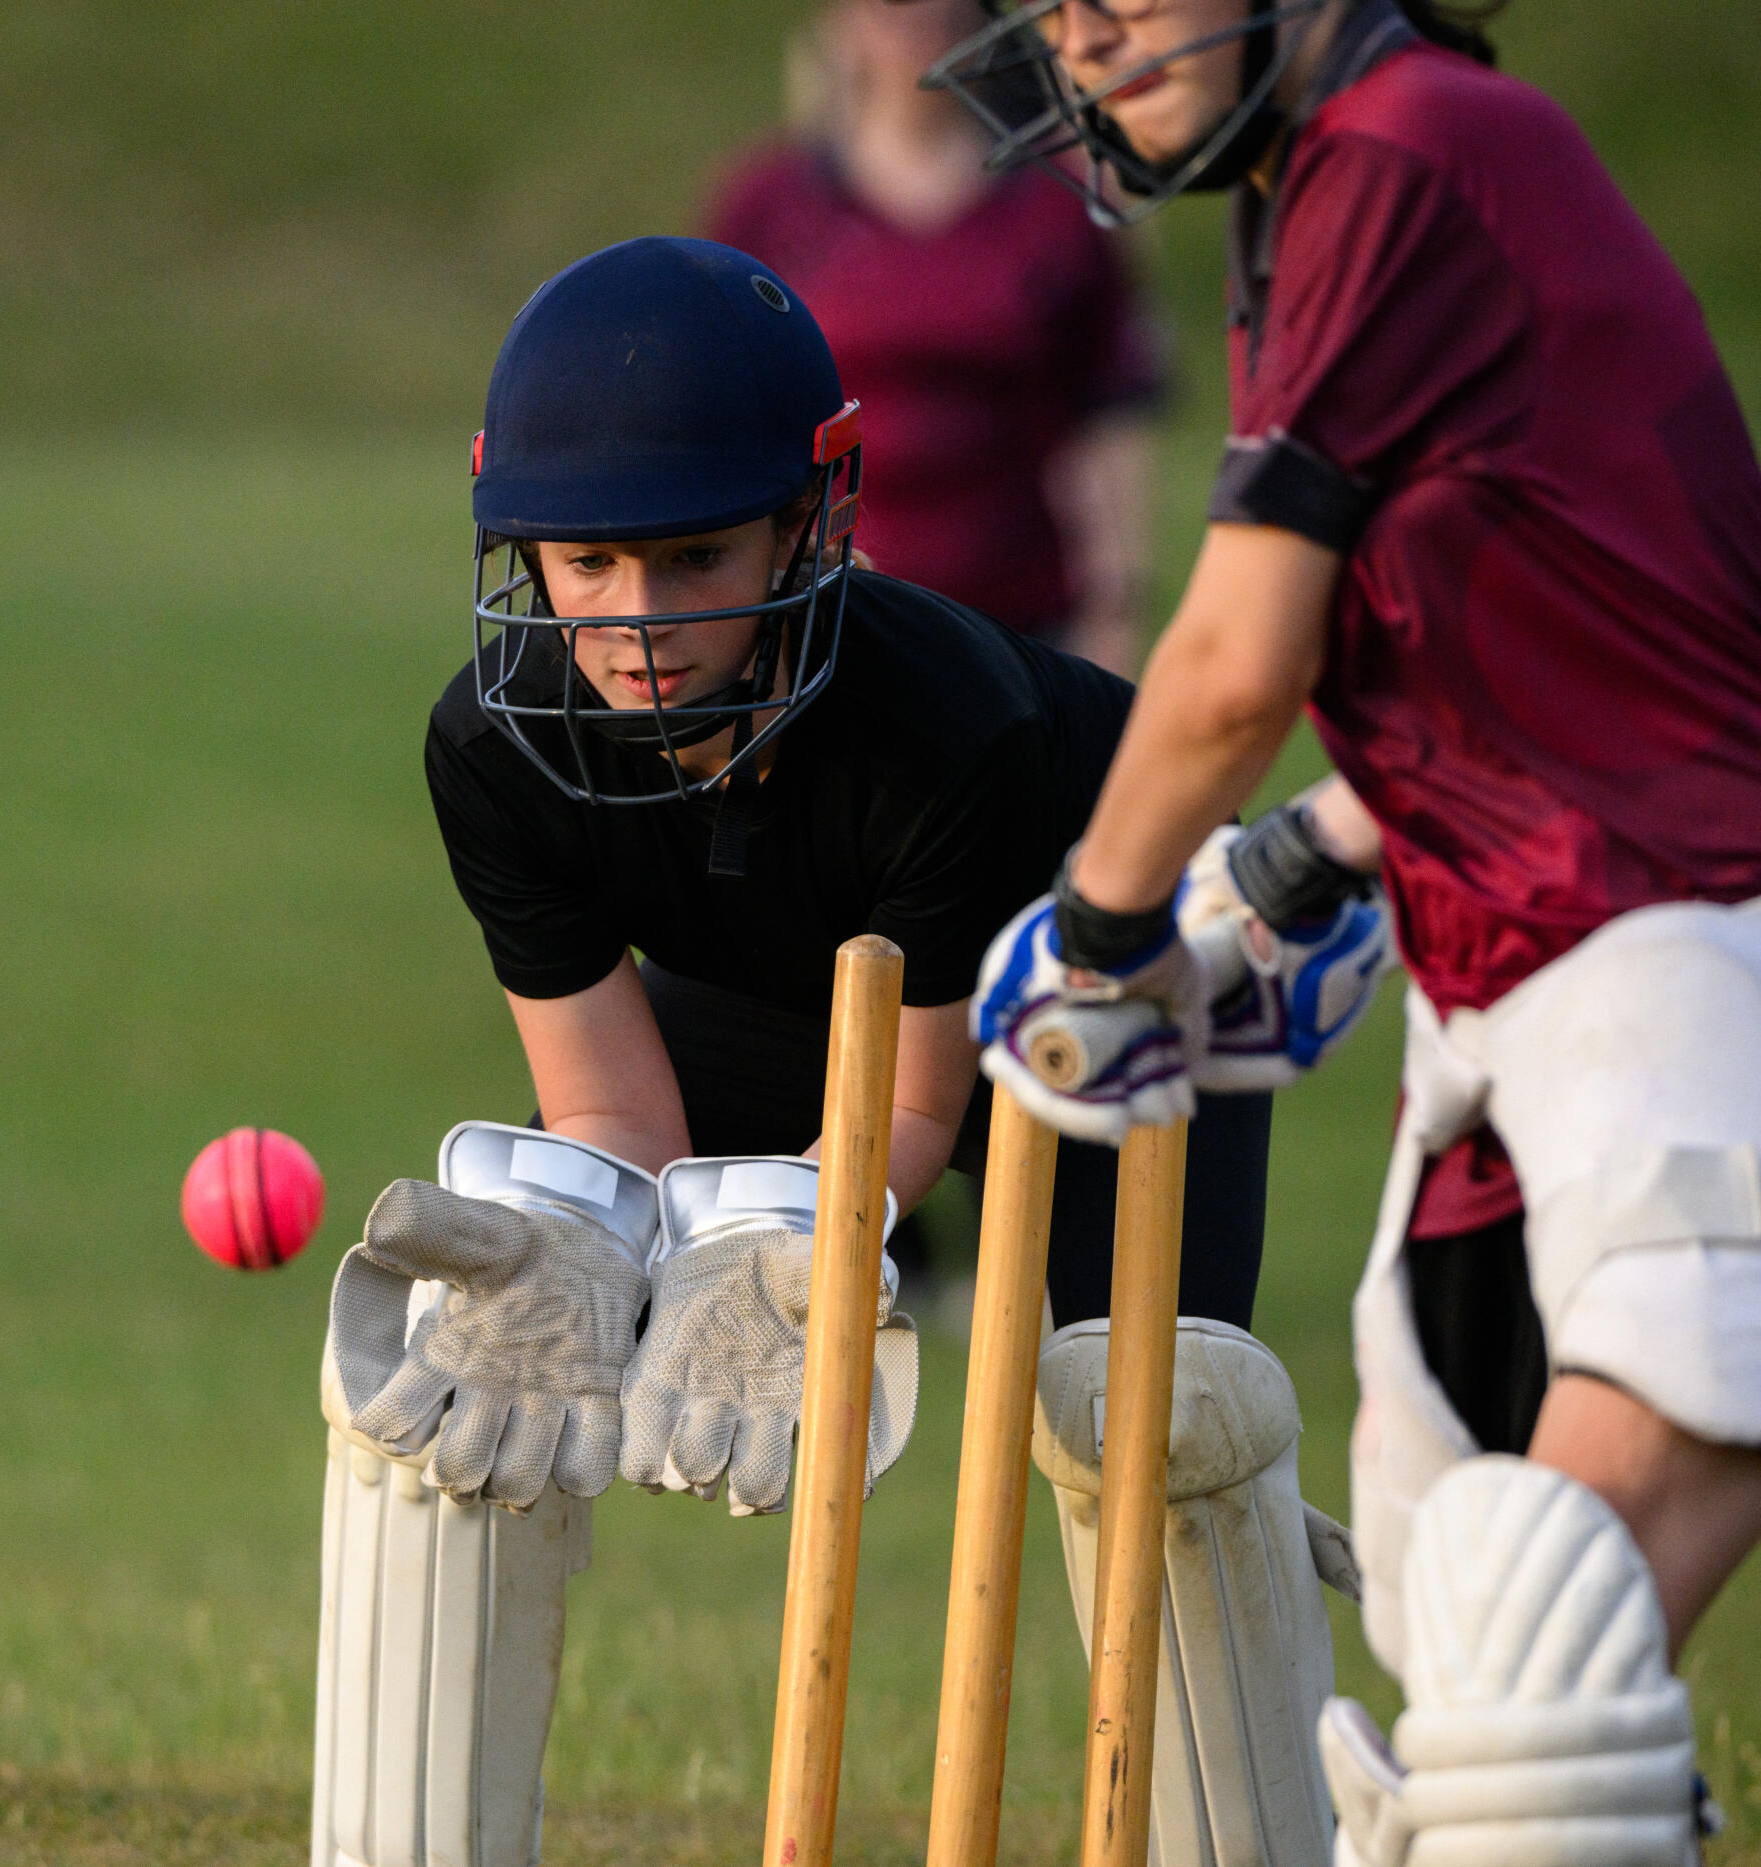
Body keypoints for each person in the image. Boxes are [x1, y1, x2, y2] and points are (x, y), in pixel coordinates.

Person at [306, 236, 1349, 1867]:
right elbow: (609, 1102)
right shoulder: (490, 745)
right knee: (485, 1330)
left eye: (695, 555)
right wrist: (613, 1246)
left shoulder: (948, 727)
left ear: (808, 518)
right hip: (771, 992)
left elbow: (919, 1106)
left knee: (1155, 1413)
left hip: (1103, 998)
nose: (639, 619)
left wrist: (789, 1238)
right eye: (587, 563)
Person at [945, 0, 1761, 1858]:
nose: (1084, 35)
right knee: (1449, 1572)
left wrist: (1100, 928)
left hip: (1675, 928)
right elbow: (1555, 600)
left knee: (1538, 1667)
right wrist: (1309, 856)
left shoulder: (1410, 153)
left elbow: (1238, 659)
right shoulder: (1319, 187)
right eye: (1058, 2)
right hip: (1525, 951)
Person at [706, 0, 1163, 677]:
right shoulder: (772, 202)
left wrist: (1114, 609)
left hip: (1017, 626)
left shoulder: (1054, 201)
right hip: (824, 620)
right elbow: (720, 417)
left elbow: (1106, 419)